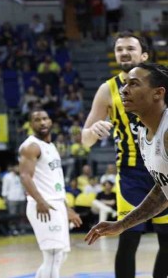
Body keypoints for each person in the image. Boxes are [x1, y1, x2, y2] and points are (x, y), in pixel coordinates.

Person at [81, 32, 168, 278]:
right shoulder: (108, 89)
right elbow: (84, 139)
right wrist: (92, 132)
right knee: (128, 238)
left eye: (130, 48)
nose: (124, 53)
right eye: (119, 49)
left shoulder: (160, 88)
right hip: (133, 172)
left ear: (144, 55)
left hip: (160, 167)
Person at [19, 109, 82, 278]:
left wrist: (66, 208)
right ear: (31, 125)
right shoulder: (31, 146)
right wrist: (40, 201)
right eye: (37, 120)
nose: (42, 122)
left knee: (60, 255)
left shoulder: (51, 146)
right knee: (53, 255)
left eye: (45, 118)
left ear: (51, 121)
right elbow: (25, 177)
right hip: (43, 205)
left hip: (56, 204)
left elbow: (56, 182)